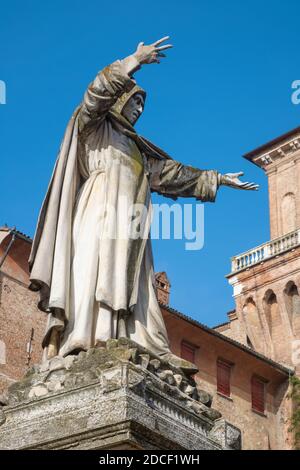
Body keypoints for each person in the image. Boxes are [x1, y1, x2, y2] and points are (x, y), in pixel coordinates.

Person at [29, 37, 258, 369]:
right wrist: (134, 60)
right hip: (97, 211)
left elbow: (170, 174)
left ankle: (130, 339)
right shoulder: (92, 128)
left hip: (132, 223)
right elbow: (95, 94)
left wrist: (218, 178)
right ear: (119, 100)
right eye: (134, 103)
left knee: (132, 279)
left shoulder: (137, 149)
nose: (138, 110)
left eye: (142, 107)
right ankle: (85, 336)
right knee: (93, 269)